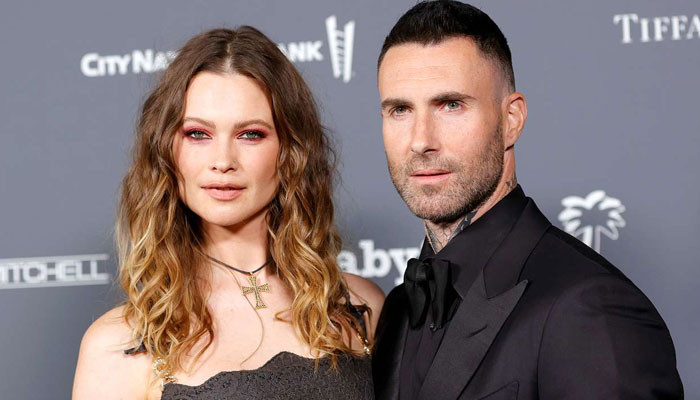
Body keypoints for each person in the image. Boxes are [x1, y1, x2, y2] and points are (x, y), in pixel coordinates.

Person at [372, 1, 683, 399]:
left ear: (512, 120)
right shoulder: (399, 309)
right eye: (400, 110)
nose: (420, 141)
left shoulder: (589, 308)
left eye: (451, 105)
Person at [72, 26, 384, 399]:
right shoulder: (120, 345)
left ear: (291, 152)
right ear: (165, 151)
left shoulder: (358, 307)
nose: (222, 161)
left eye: (250, 134)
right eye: (197, 134)